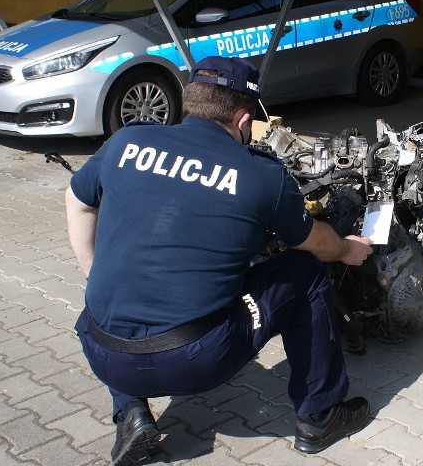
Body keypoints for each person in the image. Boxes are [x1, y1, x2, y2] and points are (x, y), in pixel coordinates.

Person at [66, 56, 374, 466]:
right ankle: (320, 414)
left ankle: (131, 414)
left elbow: (76, 199)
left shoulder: (125, 142)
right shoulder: (261, 175)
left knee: (118, 298)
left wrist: (92, 273)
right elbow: (315, 241)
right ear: (244, 121)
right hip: (195, 361)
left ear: (191, 100)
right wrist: (348, 249)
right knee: (306, 271)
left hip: (103, 353)